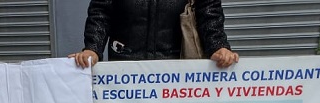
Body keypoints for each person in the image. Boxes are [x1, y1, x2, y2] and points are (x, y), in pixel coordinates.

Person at [69, 0, 238, 69]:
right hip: (125, 64)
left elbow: (208, 10)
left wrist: (217, 45)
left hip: (177, 61)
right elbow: (101, 11)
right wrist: (93, 48)